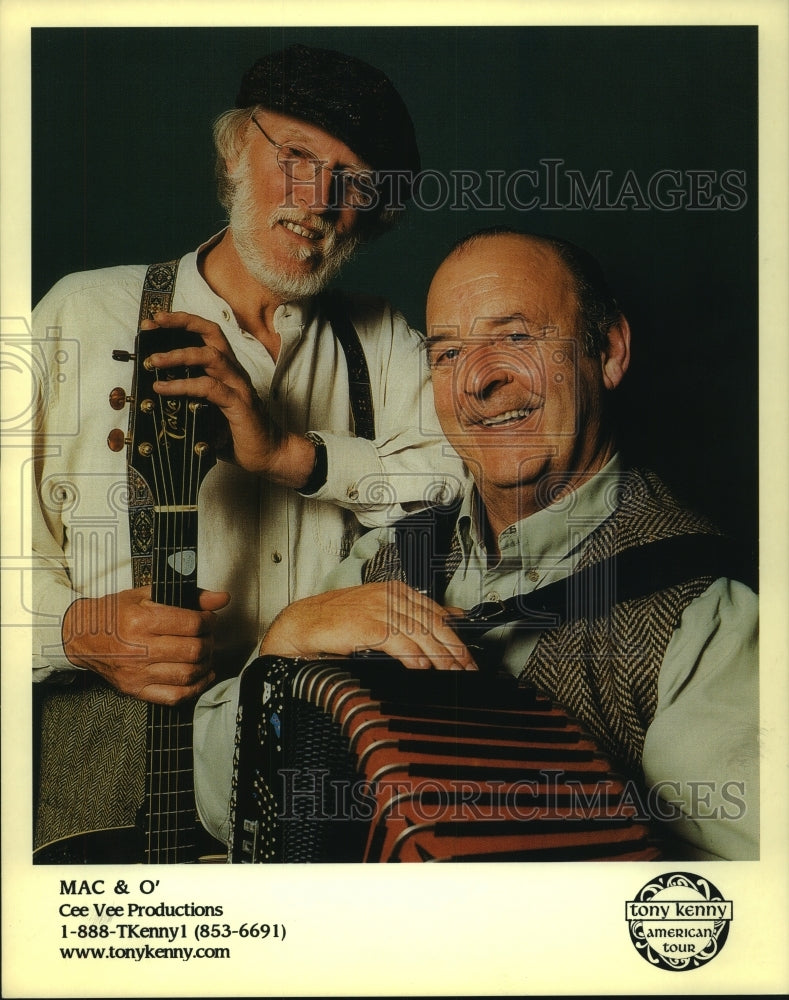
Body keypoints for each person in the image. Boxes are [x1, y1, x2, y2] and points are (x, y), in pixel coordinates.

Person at [194, 228, 759, 861]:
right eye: (447, 354)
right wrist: (284, 642)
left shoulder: (700, 616)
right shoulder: (383, 560)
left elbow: (750, 909)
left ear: (608, 350)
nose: (476, 382)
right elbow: (221, 803)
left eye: (516, 338)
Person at [32, 44, 464, 854]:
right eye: (296, 157)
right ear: (234, 151)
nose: (320, 202)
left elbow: (469, 488)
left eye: (355, 182)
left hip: (312, 791)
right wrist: (75, 629)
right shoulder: (79, 315)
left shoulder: (385, 342)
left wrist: (290, 455)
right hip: (97, 801)